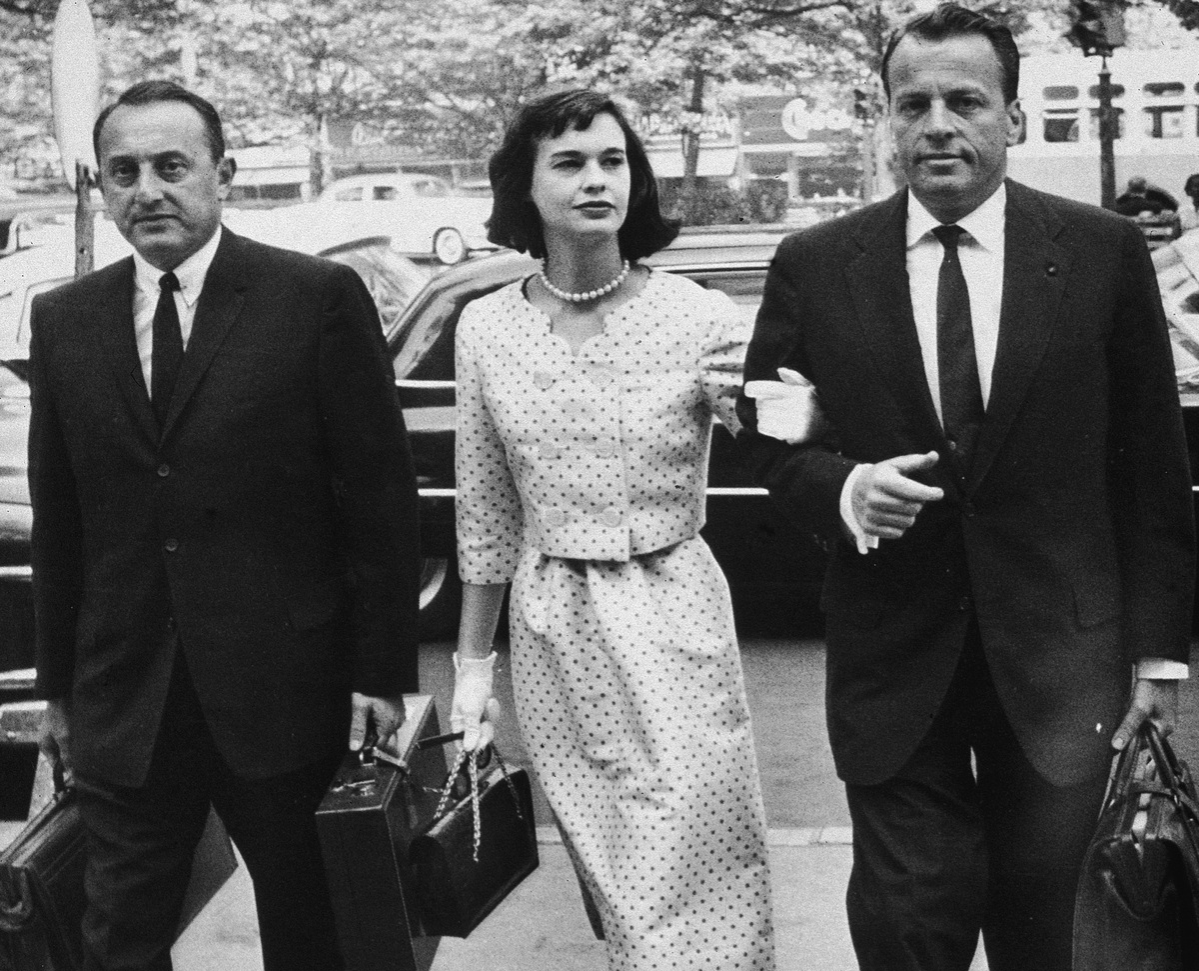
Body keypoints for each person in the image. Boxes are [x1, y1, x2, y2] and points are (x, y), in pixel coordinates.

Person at [737, 6, 1195, 971]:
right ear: (886, 120)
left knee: (1048, 936)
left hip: (1061, 668)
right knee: (910, 926)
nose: (938, 125)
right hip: (893, 659)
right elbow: (771, 443)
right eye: (913, 104)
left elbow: (1151, 470)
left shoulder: (1101, 252)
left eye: (965, 102)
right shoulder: (815, 266)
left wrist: (1157, 659)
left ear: (1012, 118)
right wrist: (844, 489)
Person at [29, 80, 421, 971]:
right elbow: (61, 521)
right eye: (123, 172)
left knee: (311, 935)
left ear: (224, 174)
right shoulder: (65, 319)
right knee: (115, 943)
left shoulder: (313, 298)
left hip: (287, 697)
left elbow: (377, 500)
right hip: (127, 699)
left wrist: (379, 671)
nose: (147, 191)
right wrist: (59, 691)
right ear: (101, 186)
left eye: (172, 167)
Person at [448, 89, 774, 969]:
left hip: (674, 616)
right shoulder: (486, 327)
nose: (596, 179)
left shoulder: (697, 314)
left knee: (693, 864)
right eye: (569, 162)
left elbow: (770, 425)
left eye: (613, 160)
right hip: (552, 630)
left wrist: (782, 407)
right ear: (525, 186)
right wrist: (472, 668)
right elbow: (486, 510)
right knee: (615, 878)